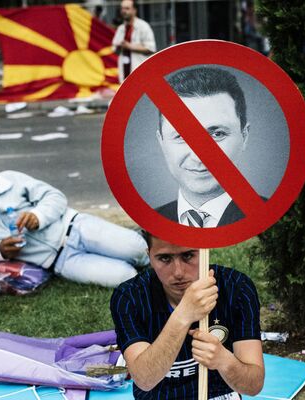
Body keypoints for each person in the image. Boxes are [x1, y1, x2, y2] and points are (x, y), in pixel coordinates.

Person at [0, 145, 149, 287]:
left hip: (75, 227)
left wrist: (37, 216)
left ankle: (130, 243)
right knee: (127, 276)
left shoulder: (10, 179)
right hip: (59, 260)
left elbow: (55, 196)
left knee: (139, 250)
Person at [110, 231, 264, 399]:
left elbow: (254, 385)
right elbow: (145, 380)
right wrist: (183, 315)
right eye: (165, 258)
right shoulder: (129, 297)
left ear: (204, 250)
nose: (178, 272)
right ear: (149, 256)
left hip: (218, 394)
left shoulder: (237, 288)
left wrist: (224, 360)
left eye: (188, 255)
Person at [155, 67, 251, 227]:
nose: (198, 156)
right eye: (182, 136)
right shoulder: (152, 223)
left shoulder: (275, 227)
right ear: (161, 141)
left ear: (244, 136)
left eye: (217, 134)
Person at [112, 0, 156, 83]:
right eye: (122, 8)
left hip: (140, 71)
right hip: (124, 70)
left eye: (127, 8)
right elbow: (114, 49)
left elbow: (151, 48)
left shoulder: (143, 26)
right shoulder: (121, 28)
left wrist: (129, 46)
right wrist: (119, 46)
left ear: (134, 10)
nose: (124, 11)